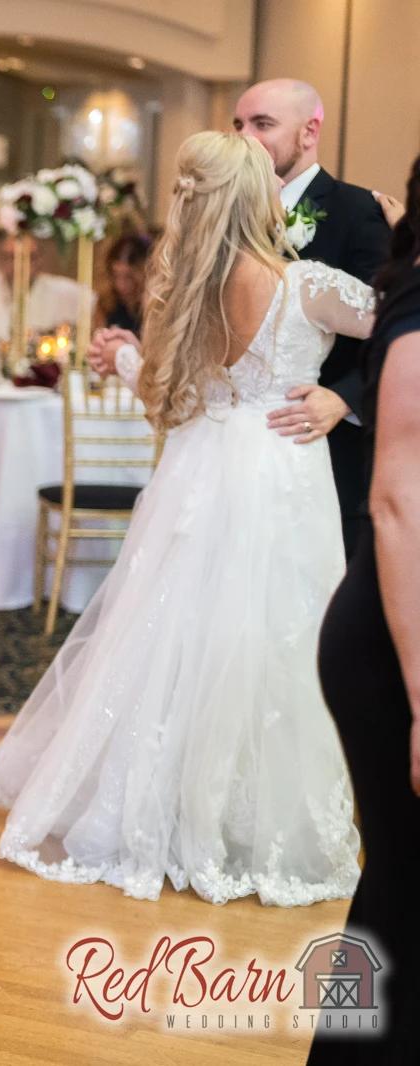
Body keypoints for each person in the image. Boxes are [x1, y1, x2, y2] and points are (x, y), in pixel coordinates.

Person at [0, 131, 372, 905]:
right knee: (268, 642)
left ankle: (170, 810)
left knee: (176, 637)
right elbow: (400, 327)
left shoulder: (179, 293)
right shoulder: (309, 286)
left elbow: (162, 397)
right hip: (279, 471)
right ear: (261, 198)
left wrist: (121, 358)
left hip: (201, 472)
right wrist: (344, 396)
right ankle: (243, 822)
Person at [308, 160, 419, 1066]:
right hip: (396, 636)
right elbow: (397, 506)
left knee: (399, 881)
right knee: (397, 881)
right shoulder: (417, 316)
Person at [236, 79, 391, 549]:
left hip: (323, 446)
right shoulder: (228, 215)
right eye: (238, 124)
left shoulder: (357, 211)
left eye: (263, 124)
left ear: (309, 132)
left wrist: (345, 400)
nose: (245, 138)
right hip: (239, 445)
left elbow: (395, 329)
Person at [98, 232, 150, 334]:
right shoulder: (106, 304)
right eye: (115, 275)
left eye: (129, 277)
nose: (120, 285)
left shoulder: (153, 308)